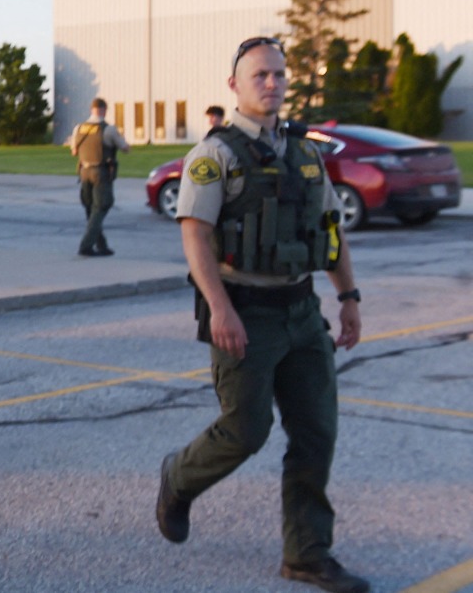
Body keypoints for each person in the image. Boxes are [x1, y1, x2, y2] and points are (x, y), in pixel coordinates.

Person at [156, 37, 368, 593]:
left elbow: (330, 232)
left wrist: (348, 298)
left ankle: (307, 554)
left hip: (302, 311)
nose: (271, 83)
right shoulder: (215, 155)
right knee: (246, 431)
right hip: (245, 312)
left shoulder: (305, 152)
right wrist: (221, 309)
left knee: (316, 434)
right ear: (234, 85)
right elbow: (195, 237)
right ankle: (178, 478)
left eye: (278, 74)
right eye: (259, 75)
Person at [71, 97, 130, 257]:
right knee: (102, 206)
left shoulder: (79, 128)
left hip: (84, 172)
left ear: (91, 110)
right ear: (104, 110)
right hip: (101, 172)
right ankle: (86, 246)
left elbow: (74, 151)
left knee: (91, 208)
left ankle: (102, 245)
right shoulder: (108, 129)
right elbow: (125, 148)